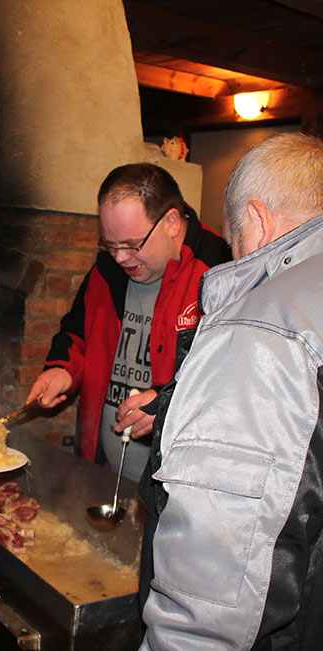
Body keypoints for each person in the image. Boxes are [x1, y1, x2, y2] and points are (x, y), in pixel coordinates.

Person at [139, 132, 323, 650]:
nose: (233, 253)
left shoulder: (263, 329)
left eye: (235, 240)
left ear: (259, 221)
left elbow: (211, 597)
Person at [26, 162, 230, 481]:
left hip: (179, 485)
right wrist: (62, 370)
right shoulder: (107, 271)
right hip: (105, 470)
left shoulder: (222, 270)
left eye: (132, 245)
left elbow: (232, 379)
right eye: (110, 245)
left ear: (172, 222)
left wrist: (167, 403)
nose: (120, 258)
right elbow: (77, 333)